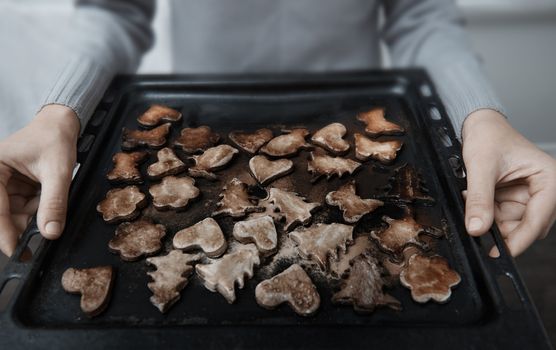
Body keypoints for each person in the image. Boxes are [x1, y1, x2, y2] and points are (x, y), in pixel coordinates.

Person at [0, 0, 554, 258]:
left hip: (360, 137)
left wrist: (480, 115)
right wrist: (58, 111)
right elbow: (116, 10)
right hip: (206, 129)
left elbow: (420, 15)